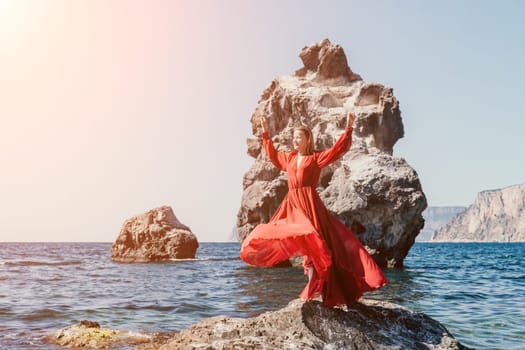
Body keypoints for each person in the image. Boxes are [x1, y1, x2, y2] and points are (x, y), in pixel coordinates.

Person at [240, 111, 388, 307]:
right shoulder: (290, 159)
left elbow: (337, 150)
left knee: (316, 243)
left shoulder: (315, 158)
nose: (295, 141)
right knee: (292, 236)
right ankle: (312, 285)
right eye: (293, 137)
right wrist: (265, 133)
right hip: (292, 203)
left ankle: (315, 286)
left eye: (298, 137)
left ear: (307, 139)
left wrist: (348, 128)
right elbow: (273, 155)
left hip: (309, 202)